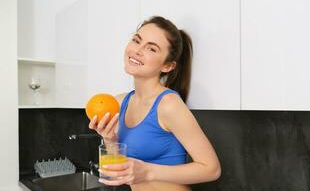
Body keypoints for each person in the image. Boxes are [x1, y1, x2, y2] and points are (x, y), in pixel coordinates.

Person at [89, 16, 221, 191]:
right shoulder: (120, 102)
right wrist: (110, 139)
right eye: (137, 40)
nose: (137, 50)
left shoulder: (168, 104)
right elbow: (122, 171)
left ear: (167, 66)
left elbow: (211, 169)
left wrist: (148, 171)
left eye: (151, 48)